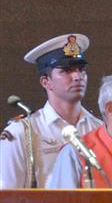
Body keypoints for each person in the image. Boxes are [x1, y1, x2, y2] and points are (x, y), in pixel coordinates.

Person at [1, 33, 102, 188]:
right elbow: (6, 198)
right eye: (67, 70)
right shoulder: (22, 132)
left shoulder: (100, 129)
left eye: (81, 69)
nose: (77, 76)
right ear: (46, 81)